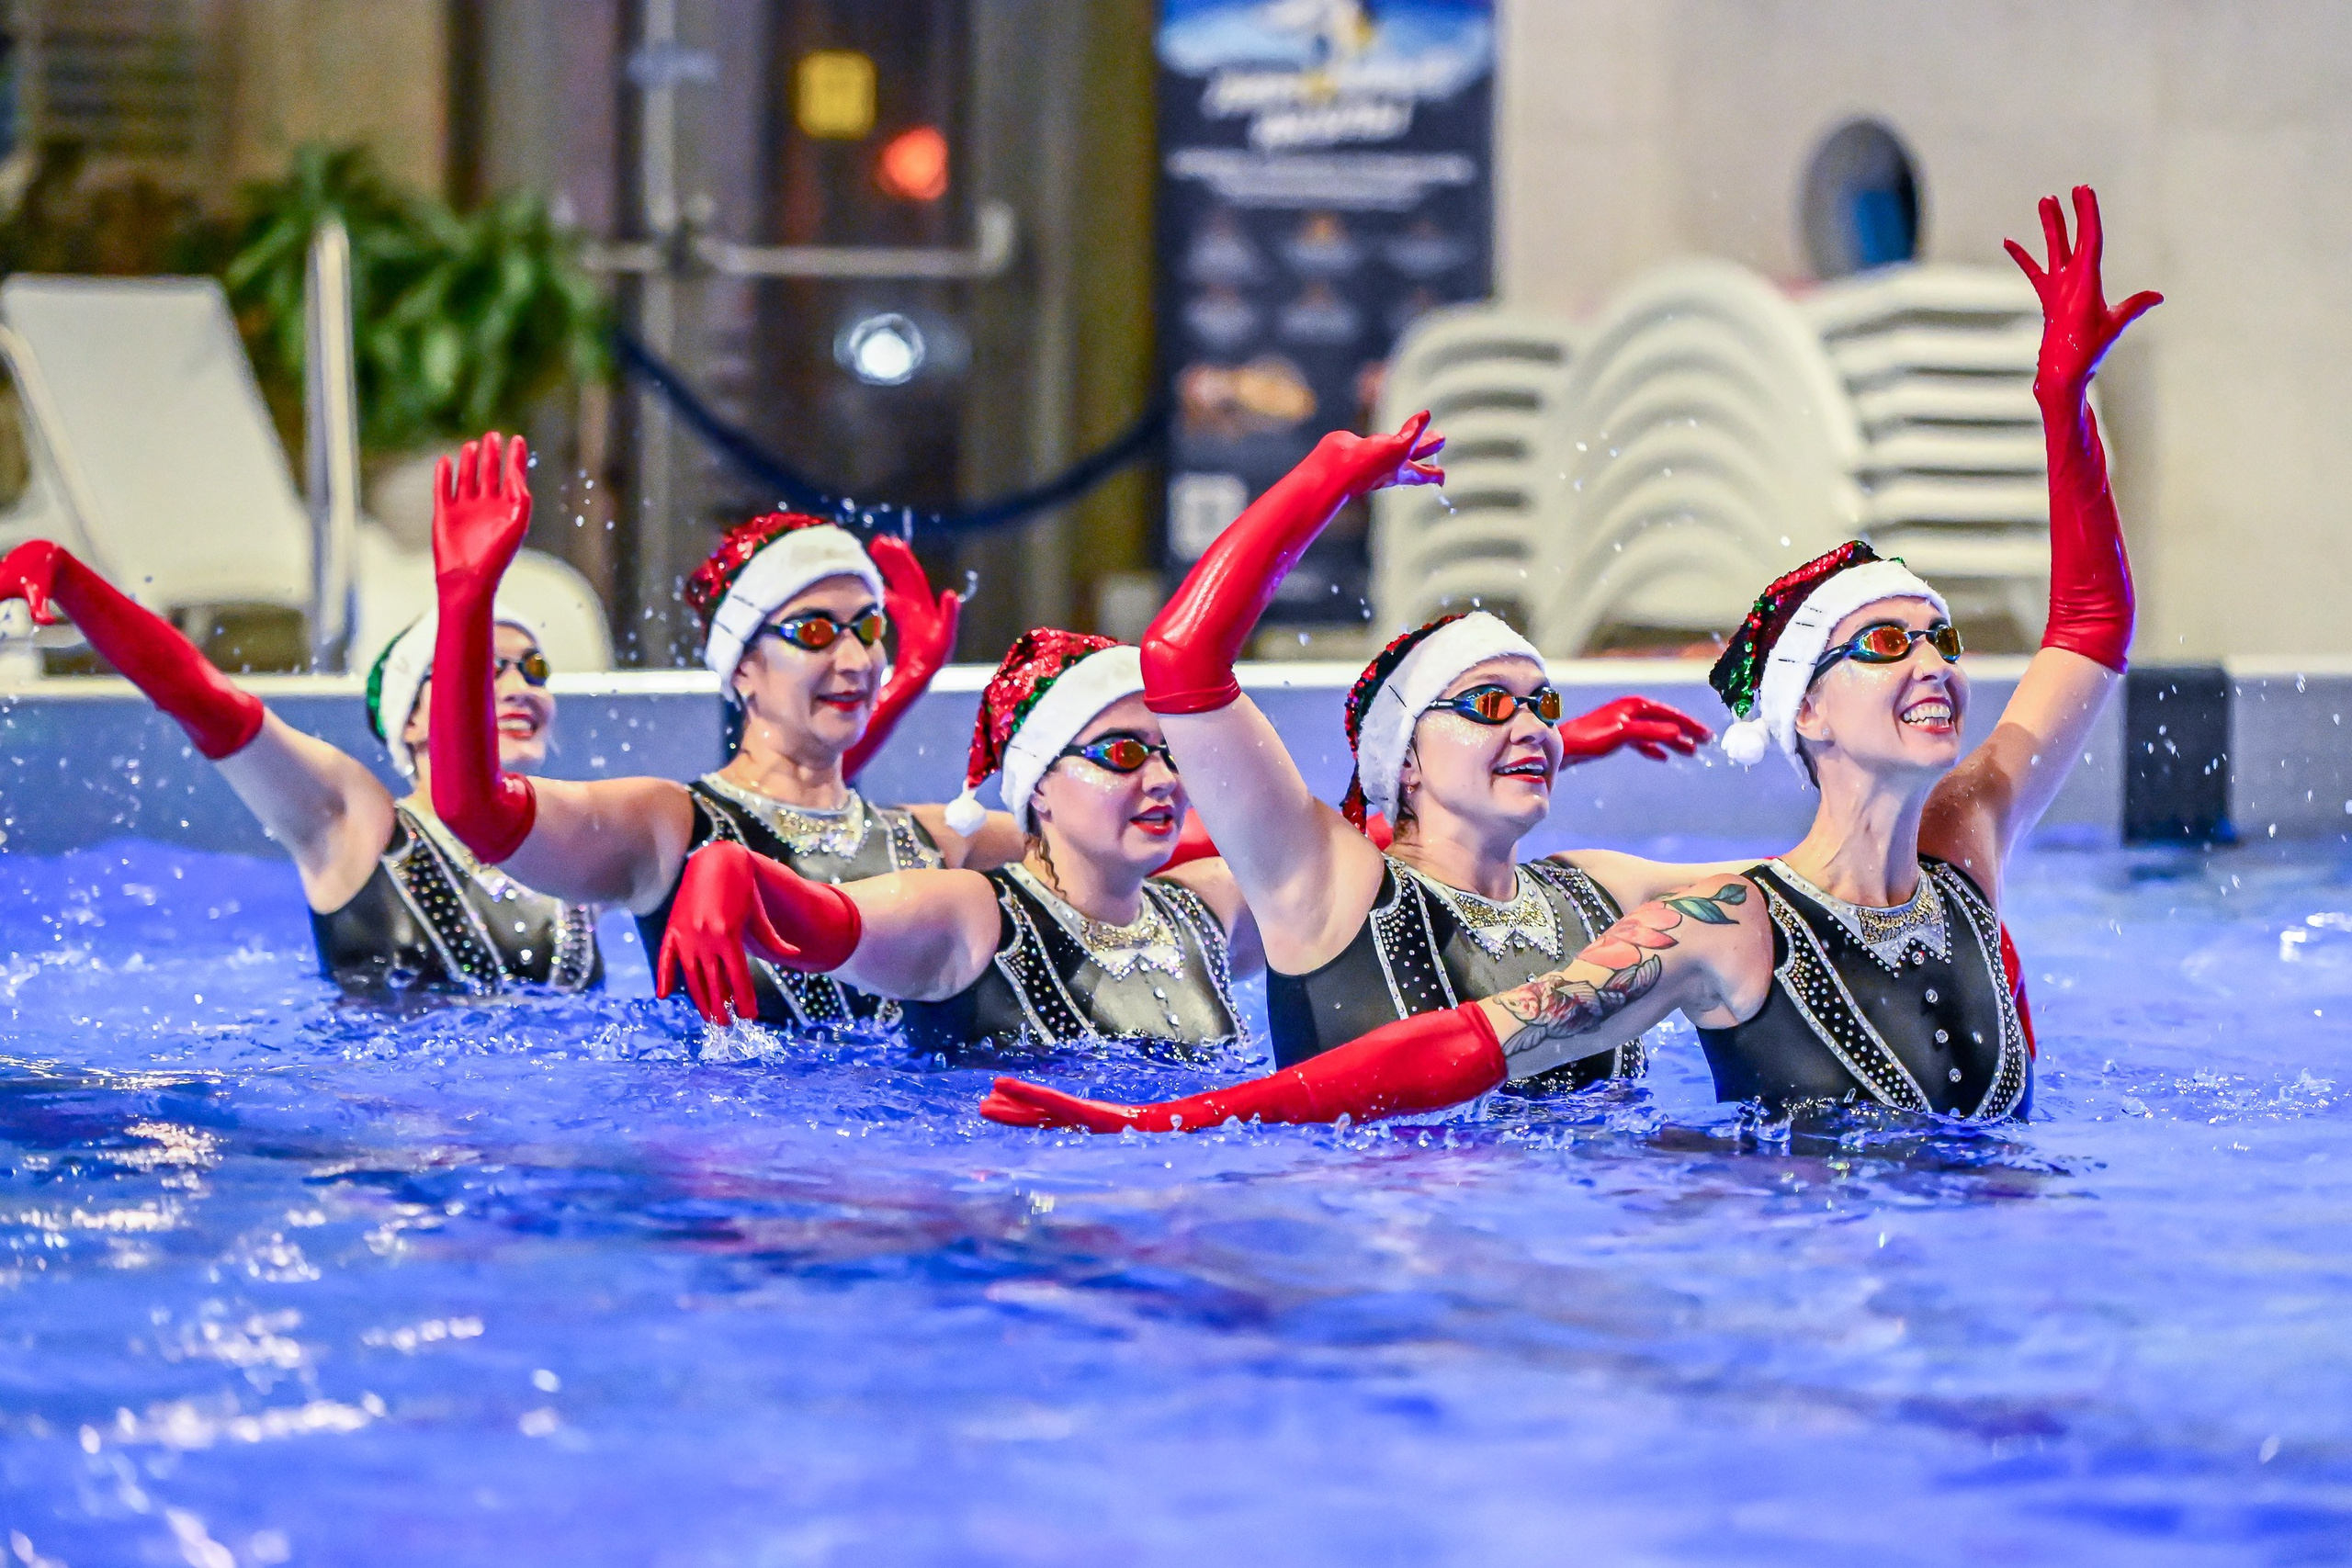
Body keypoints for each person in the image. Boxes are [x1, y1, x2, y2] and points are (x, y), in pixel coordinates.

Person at [981, 183, 2146, 1133]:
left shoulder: (1956, 843)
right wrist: (1171, 1122)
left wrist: (2062, 406)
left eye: (1940, 637)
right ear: (1810, 713)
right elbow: (1463, 1043)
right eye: (1886, 641)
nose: (1934, 659)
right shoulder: (1353, 882)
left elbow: (2087, 627)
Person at [1111, 408, 1724, 1090]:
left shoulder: (1597, 889)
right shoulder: (1331, 888)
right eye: (1489, 704)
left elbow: (1807, 889)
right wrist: (1327, 478)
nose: (1531, 726)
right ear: (1406, 761)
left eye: (1543, 705)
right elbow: (1179, 660)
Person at [423, 432, 1022, 1032]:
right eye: (814, 631)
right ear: (742, 666)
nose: (856, 659)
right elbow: (475, 809)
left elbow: (1097, 866)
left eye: (866, 628)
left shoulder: (937, 840)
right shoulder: (671, 827)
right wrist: (466, 601)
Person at [0, 456, 600, 995]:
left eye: (535, 669)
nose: (522, 688)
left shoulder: (579, 856)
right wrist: (72, 583)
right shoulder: (357, 825)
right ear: (413, 718)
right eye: (485, 669)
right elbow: (211, 704)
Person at [656, 629, 1258, 1055]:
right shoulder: (973, 917)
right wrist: (732, 867)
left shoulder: (1209, 909)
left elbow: (1338, 880)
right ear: (1039, 783)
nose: (1162, 780)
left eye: (1172, 754)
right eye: (1122, 753)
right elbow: (823, 925)